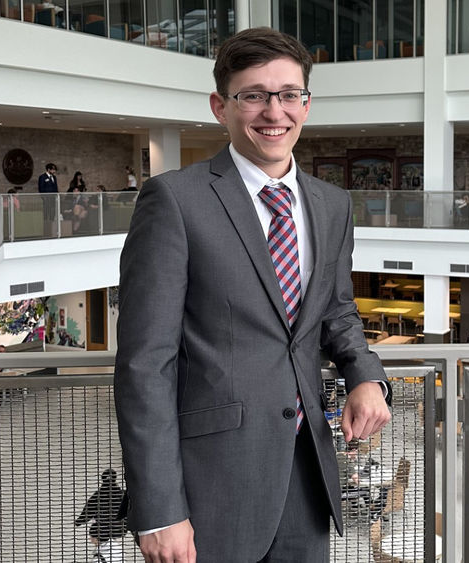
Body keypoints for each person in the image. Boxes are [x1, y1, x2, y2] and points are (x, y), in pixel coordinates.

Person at [114, 27, 392, 563]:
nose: (274, 111)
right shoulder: (174, 200)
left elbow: (336, 310)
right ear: (221, 106)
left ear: (306, 105)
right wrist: (159, 508)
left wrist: (365, 374)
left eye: (289, 94)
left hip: (307, 472)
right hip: (210, 485)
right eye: (254, 95)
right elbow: (145, 364)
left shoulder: (333, 204)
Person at [75, 468, 127, 562]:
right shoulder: (122, 495)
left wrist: (79, 521)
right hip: (119, 529)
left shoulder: (98, 496)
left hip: (102, 530)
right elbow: (130, 512)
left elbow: (88, 511)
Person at [38, 163, 59, 229]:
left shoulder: (54, 177)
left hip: (53, 198)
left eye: (54, 170)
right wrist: (44, 197)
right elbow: (41, 188)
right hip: (46, 198)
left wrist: (57, 195)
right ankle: (46, 228)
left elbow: (56, 187)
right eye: (53, 170)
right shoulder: (42, 177)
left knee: (53, 212)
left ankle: (52, 227)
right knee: (46, 212)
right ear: (48, 169)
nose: (54, 171)